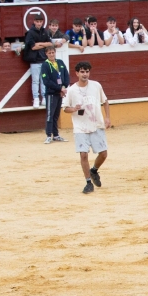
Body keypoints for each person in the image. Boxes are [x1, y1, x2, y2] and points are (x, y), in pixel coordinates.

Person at [64, 61, 111, 195]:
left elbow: (105, 101)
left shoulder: (96, 86)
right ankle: (88, 182)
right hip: (80, 127)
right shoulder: (72, 90)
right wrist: (73, 108)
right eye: (82, 72)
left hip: (96, 124)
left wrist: (107, 117)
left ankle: (94, 170)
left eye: (87, 71)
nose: (85, 74)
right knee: (83, 154)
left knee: (103, 154)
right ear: (77, 73)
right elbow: (66, 108)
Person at [41, 45, 70, 145]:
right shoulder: (45, 65)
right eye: (49, 53)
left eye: (53, 52)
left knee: (56, 115)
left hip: (59, 93)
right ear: (46, 54)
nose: (52, 54)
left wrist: (64, 87)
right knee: (50, 115)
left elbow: (66, 75)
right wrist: (59, 88)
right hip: (51, 93)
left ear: (55, 52)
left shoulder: (60, 62)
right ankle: (49, 135)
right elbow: (46, 81)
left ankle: (56, 135)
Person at [24, 13, 53, 108]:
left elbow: (50, 44)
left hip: (43, 60)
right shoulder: (30, 33)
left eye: (41, 22)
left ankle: (43, 98)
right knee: (36, 81)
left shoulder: (45, 32)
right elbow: (33, 47)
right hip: (35, 60)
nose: (39, 23)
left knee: (43, 80)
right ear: (34, 22)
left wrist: (40, 44)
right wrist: (44, 44)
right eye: (38, 21)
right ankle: (36, 98)